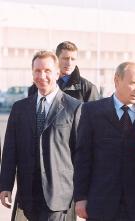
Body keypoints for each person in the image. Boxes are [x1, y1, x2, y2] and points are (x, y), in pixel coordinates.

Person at [73, 62, 135, 221]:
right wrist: (80, 197)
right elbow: (83, 157)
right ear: (117, 81)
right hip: (102, 202)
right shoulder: (92, 111)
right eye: (133, 83)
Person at [0, 50, 81, 221]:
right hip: (28, 195)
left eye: (47, 71)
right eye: (37, 71)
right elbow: (9, 150)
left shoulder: (74, 108)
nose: (41, 76)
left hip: (59, 196)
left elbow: (81, 154)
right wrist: (5, 185)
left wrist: (82, 195)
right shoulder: (19, 108)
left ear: (57, 73)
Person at [28, 41, 100, 102]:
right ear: (56, 58)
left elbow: (94, 116)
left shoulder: (88, 89)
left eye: (73, 59)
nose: (69, 63)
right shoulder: (36, 87)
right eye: (65, 58)